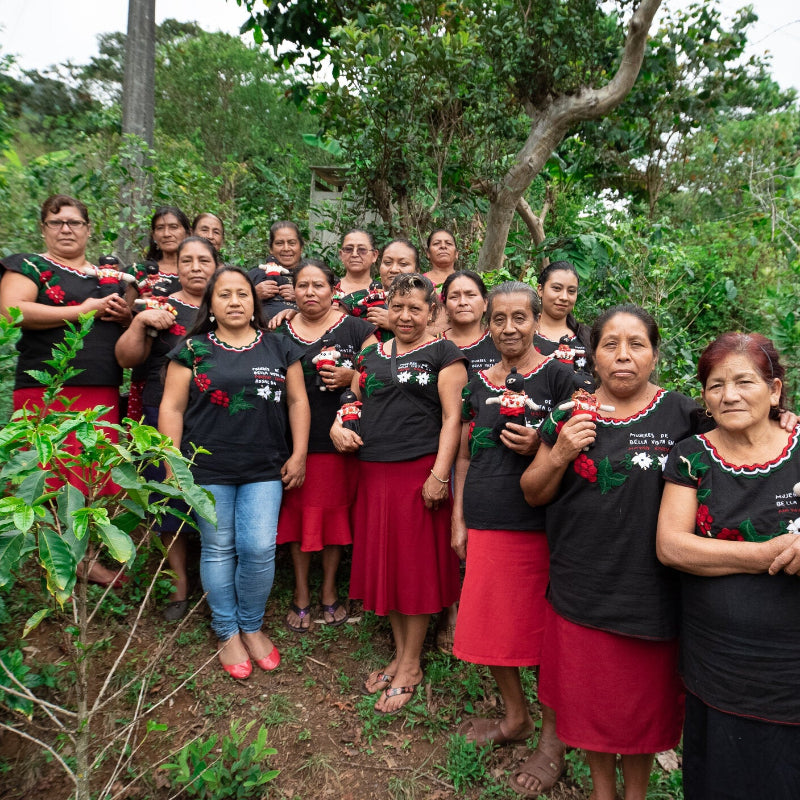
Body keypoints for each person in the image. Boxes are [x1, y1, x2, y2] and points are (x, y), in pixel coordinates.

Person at [519, 304, 701, 800]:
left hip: (652, 593)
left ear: (654, 355)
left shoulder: (685, 414)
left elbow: (745, 437)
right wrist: (559, 453)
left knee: (641, 711)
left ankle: (635, 794)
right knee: (592, 706)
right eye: (610, 345)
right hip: (583, 585)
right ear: (592, 356)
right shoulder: (568, 413)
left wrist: (782, 414)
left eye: (636, 344)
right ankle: (603, 792)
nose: (623, 356)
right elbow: (533, 492)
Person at [657, 332, 800, 800]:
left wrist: (716, 556)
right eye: (715, 385)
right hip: (719, 662)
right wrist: (766, 554)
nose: (729, 395)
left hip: (790, 666)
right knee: (723, 773)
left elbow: (697, 551)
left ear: (775, 390)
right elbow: (674, 547)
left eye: (744, 381)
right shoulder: (691, 455)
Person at [452, 282, 575, 795]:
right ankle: (515, 717)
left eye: (519, 318)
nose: (508, 328)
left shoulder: (561, 377)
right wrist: (459, 518)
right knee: (491, 631)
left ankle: (552, 741)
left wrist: (538, 449)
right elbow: (463, 455)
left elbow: (579, 453)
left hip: (536, 527)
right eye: (498, 319)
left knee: (542, 638)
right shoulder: (477, 382)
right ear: (488, 322)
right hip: (484, 518)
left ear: (536, 317)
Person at [158, 267, 310, 679]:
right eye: (224, 295)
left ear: (254, 302)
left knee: (259, 547)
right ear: (211, 305)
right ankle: (226, 631)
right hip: (207, 466)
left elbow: (297, 402)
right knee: (218, 547)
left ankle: (252, 625)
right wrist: (173, 463)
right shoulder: (192, 349)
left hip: (265, 466)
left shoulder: (279, 346)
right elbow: (170, 408)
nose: (235, 302)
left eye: (242, 294)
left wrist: (299, 454)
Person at [331, 273, 467, 715]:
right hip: (373, 474)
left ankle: (410, 664)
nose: (406, 316)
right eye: (399, 306)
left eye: (416, 308)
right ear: (388, 308)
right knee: (387, 565)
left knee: (415, 569)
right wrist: (339, 425)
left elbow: (452, 420)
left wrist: (439, 474)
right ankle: (400, 653)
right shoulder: (371, 353)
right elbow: (354, 403)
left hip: (419, 474)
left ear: (433, 312)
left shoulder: (446, 353)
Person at [0, 194, 135, 586]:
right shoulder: (30, 265)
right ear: (43, 228)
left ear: (88, 229)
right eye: (57, 222)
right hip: (48, 389)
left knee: (95, 470)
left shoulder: (109, 276)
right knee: (52, 472)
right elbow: (13, 311)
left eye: (74, 222)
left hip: (102, 389)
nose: (66, 229)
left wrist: (125, 314)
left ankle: (89, 552)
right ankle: (62, 559)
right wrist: (82, 310)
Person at [115, 236, 219, 619]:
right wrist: (140, 321)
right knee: (167, 491)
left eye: (203, 260)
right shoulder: (162, 308)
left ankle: (214, 577)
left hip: (214, 413)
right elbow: (126, 358)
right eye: (186, 260)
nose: (194, 267)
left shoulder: (228, 306)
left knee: (213, 494)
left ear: (216, 265)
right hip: (164, 410)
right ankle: (177, 580)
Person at [275, 260, 377, 633]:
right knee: (298, 520)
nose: (310, 292)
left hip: (341, 441)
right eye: (302, 285)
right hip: (292, 442)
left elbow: (377, 376)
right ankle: (301, 593)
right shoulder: (279, 332)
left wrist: (353, 377)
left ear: (334, 289)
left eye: (318, 285)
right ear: (293, 290)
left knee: (333, 519)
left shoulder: (358, 329)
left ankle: (330, 589)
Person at [533, 261, 592, 376]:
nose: (564, 297)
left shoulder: (588, 337)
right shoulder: (524, 335)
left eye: (571, 291)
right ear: (540, 290)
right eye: (556, 288)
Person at [441, 270, 499, 378]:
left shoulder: (500, 341)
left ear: (485, 303)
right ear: (445, 307)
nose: (463, 302)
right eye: (454, 297)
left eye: (471, 295)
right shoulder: (434, 344)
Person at [248, 221, 304, 320]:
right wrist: (253, 295)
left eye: (292, 243)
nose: (286, 248)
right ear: (271, 248)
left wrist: (302, 295)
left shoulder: (312, 274)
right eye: (279, 243)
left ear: (301, 247)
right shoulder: (255, 275)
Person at [136, 206, 191, 297]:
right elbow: (126, 309)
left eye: (173, 227)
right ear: (153, 235)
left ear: (188, 233)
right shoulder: (141, 270)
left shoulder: (199, 270)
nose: (166, 234)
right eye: (160, 228)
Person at [333, 229, 381, 314]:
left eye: (362, 249)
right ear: (341, 255)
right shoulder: (329, 290)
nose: (354, 254)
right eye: (348, 249)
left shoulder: (381, 291)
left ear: (374, 255)